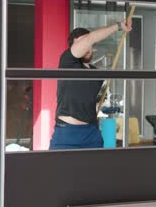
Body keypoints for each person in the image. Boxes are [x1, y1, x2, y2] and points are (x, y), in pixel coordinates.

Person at [49, 20, 132, 150]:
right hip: (67, 134)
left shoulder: (96, 73)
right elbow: (90, 39)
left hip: (91, 133)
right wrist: (118, 26)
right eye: (82, 43)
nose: (86, 47)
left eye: (89, 44)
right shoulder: (67, 62)